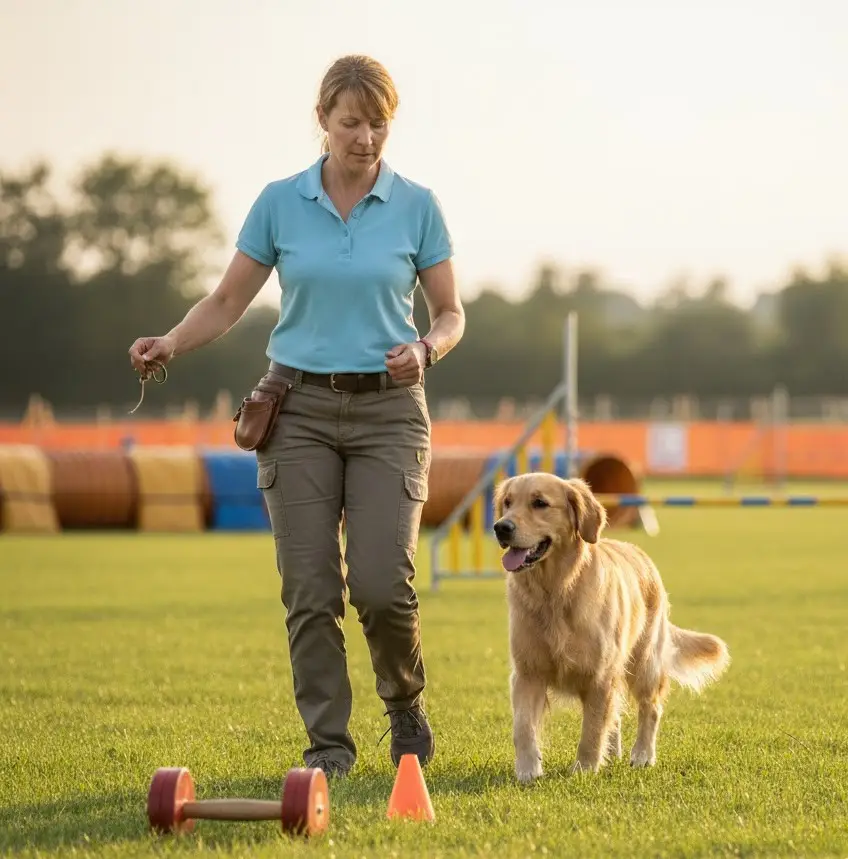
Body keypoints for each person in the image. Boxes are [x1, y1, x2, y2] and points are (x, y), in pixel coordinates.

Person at [128, 54, 465, 779]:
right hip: (298, 409)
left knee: (380, 583)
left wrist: (426, 349)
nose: (366, 137)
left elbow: (450, 313)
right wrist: (171, 342)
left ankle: (405, 704)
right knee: (309, 592)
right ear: (323, 121)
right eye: (351, 122)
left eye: (379, 123)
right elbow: (225, 301)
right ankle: (329, 750)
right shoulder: (280, 202)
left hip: (390, 414)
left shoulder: (418, 205)